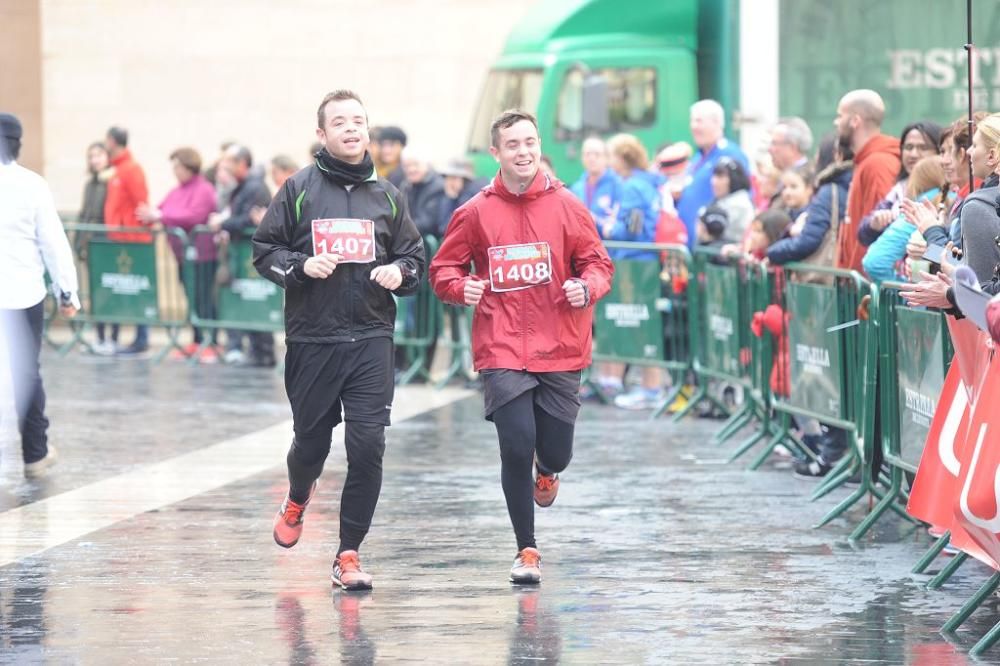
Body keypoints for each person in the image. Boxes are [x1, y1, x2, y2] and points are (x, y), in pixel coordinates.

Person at [429, 109, 613, 584]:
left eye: (530, 142)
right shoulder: (474, 212)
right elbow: (443, 270)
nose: (524, 151)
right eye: (513, 144)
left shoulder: (569, 206)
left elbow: (599, 264)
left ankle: (549, 471)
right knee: (516, 444)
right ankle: (526, 549)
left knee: (556, 450)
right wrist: (460, 287)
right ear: (497, 153)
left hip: (560, 344)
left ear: (539, 145)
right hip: (502, 344)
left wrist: (586, 287)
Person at [253, 90, 425, 591]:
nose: (351, 129)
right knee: (311, 441)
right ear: (322, 133)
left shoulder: (389, 196)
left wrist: (399, 271)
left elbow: (415, 258)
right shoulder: (299, 189)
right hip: (314, 338)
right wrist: (300, 266)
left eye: (358, 121)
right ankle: (298, 495)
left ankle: (348, 553)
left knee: (368, 444)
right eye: (340, 122)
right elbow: (265, 249)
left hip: (372, 336)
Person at [0, 112, 80, 478]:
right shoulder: (32, 185)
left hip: (20, 291)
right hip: (20, 294)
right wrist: (67, 293)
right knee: (25, 373)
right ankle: (34, 452)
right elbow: (53, 245)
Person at [137, 147, 219, 362]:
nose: (174, 171)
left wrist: (161, 215)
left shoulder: (204, 189)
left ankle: (210, 342)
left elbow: (194, 215)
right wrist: (152, 214)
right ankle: (196, 340)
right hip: (182, 256)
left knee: (204, 299)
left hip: (202, 255)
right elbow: (161, 209)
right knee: (191, 299)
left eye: (177, 167)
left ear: (188, 167)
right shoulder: (177, 191)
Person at [208, 144, 274, 366]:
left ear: (242, 163)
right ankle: (257, 351)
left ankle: (264, 352)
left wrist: (223, 224)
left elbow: (247, 219)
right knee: (247, 301)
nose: (224, 165)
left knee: (257, 302)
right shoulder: (243, 186)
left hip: (254, 255)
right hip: (245, 254)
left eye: (229, 161)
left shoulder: (254, 187)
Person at [831, 90, 901, 273]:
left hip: (865, 285)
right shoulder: (865, 161)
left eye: (840, 116)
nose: (836, 122)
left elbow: (881, 229)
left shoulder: (877, 163)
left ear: (855, 121)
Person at [676, 100, 750, 248]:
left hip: (714, 245)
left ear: (716, 122)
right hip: (692, 243)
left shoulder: (731, 154)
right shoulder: (698, 156)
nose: (694, 126)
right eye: (692, 121)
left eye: (699, 121)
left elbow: (744, 195)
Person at [103, 125, 151, 355]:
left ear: (112, 141)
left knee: (138, 289)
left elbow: (141, 202)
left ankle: (142, 338)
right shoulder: (118, 169)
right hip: (121, 239)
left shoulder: (131, 169)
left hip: (132, 240)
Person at [862, 156, 945, 283]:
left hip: (930, 297)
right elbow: (961, 262)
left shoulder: (917, 209)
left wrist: (903, 291)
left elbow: (874, 262)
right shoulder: (961, 203)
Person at [857, 121, 941, 248]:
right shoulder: (897, 191)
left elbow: (952, 255)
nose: (913, 154)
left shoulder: (946, 195)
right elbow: (863, 234)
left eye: (923, 148)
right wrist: (873, 224)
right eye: (908, 147)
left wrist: (928, 252)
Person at [79, 141, 119, 354]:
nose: (95, 160)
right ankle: (100, 336)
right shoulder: (90, 184)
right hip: (92, 242)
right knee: (96, 292)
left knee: (111, 290)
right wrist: (79, 241)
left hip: (108, 242)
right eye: (91, 156)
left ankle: (113, 337)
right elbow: (84, 212)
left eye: (99, 155)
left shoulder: (113, 181)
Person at [569, 137, 622, 231]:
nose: (591, 158)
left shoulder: (618, 185)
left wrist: (597, 221)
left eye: (597, 154)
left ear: (607, 158)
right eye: (587, 154)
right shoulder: (576, 188)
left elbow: (621, 222)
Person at [399, 148, 446, 238]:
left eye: (416, 164)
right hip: (409, 235)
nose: (411, 169)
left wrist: (398, 230)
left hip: (426, 240)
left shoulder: (438, 187)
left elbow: (427, 223)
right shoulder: (406, 185)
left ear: (427, 165)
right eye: (406, 166)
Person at [436, 157, 486, 237]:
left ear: (465, 180)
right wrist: (450, 198)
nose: (449, 182)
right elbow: (442, 227)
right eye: (447, 178)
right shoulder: (455, 194)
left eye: (454, 178)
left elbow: (446, 228)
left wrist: (450, 199)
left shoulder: (471, 196)